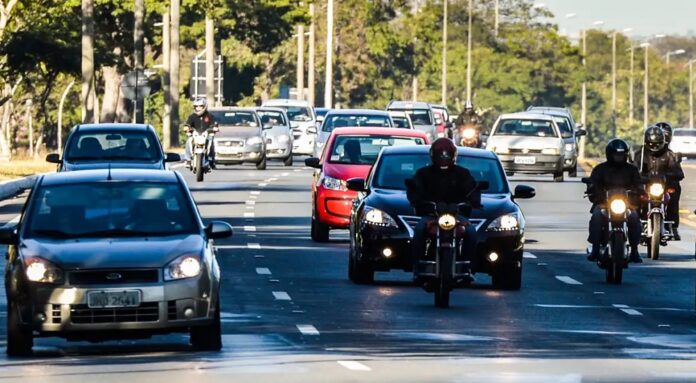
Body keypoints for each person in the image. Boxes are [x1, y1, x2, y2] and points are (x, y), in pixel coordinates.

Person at [406, 138, 481, 280]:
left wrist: (473, 202)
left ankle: (468, 267)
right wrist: (421, 203)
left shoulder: (463, 174)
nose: (444, 158)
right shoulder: (423, 174)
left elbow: (473, 189)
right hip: (432, 215)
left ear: (453, 155)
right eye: (440, 154)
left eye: (447, 155)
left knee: (471, 232)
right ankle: (417, 267)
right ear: (433, 155)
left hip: (457, 216)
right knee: (420, 230)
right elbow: (414, 189)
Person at [587, 139, 643, 263]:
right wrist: (594, 191)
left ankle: (634, 250)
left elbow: (638, 184)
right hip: (605, 203)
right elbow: (593, 183)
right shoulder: (600, 169)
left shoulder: (632, 169)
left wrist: (638, 191)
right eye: (617, 155)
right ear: (610, 154)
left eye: (622, 155)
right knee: (596, 217)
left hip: (626, 204)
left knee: (634, 218)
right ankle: (595, 248)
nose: (619, 157)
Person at [633, 125, 685, 240]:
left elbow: (679, 172)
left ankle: (673, 226)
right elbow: (633, 169)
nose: (655, 146)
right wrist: (640, 177)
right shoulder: (640, 154)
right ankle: (634, 224)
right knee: (633, 196)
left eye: (657, 143)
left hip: (663, 186)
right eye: (651, 143)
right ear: (646, 142)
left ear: (663, 141)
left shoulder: (669, 154)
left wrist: (669, 176)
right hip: (645, 185)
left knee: (674, 192)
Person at [184, 97, 218, 168]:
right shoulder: (192, 116)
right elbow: (187, 124)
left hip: (206, 134)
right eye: (196, 106)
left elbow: (214, 124)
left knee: (211, 142)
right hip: (195, 135)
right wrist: (187, 128)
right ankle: (188, 159)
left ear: (204, 106)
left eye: (200, 106)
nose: (198, 108)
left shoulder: (210, 116)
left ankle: (211, 159)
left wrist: (214, 128)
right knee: (189, 141)